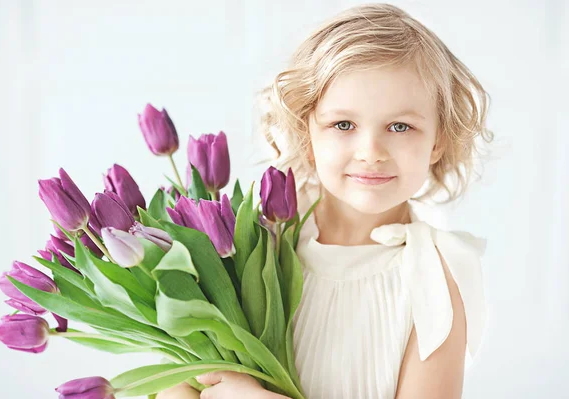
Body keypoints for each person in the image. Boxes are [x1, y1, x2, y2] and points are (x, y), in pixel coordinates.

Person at [159, 2, 493, 398]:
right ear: (307, 132)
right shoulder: (255, 240)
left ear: (438, 139)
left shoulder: (435, 277)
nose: (371, 151)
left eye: (400, 126)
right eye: (343, 124)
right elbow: (181, 376)